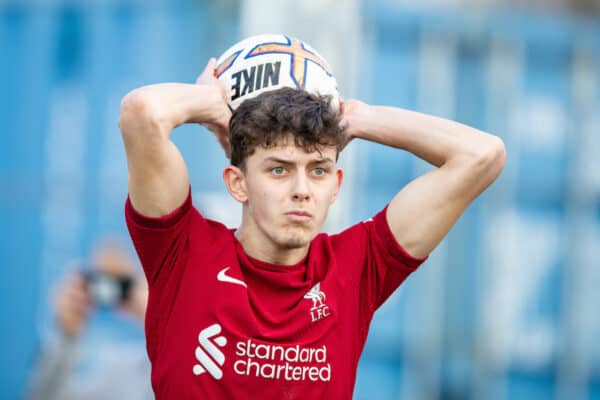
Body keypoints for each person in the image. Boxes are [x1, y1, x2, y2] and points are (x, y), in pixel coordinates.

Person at [119, 58, 505, 399]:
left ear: (336, 184)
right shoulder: (183, 252)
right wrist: (212, 105)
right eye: (279, 170)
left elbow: (482, 155)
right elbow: (142, 113)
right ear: (238, 183)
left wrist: (358, 118)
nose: (302, 191)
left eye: (317, 170)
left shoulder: (357, 267)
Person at [25, 239, 153, 400]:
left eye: (123, 283)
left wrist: (158, 320)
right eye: (97, 280)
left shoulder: (156, 368)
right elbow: (41, 395)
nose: (110, 289)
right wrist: (65, 333)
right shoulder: (102, 373)